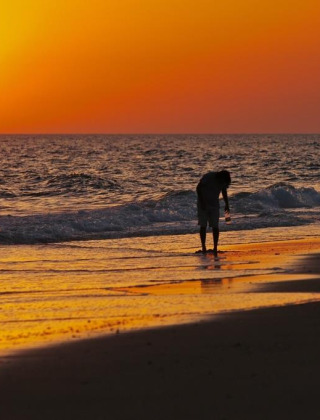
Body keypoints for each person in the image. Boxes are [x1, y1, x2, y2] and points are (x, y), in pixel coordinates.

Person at [196, 170, 231, 256]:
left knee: (215, 226)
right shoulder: (208, 177)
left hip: (214, 205)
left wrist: (227, 204)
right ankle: (203, 247)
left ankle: (215, 248)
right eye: (223, 181)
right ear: (220, 177)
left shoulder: (223, 181)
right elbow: (198, 188)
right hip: (202, 203)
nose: (223, 183)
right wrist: (202, 201)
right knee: (203, 225)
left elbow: (224, 192)